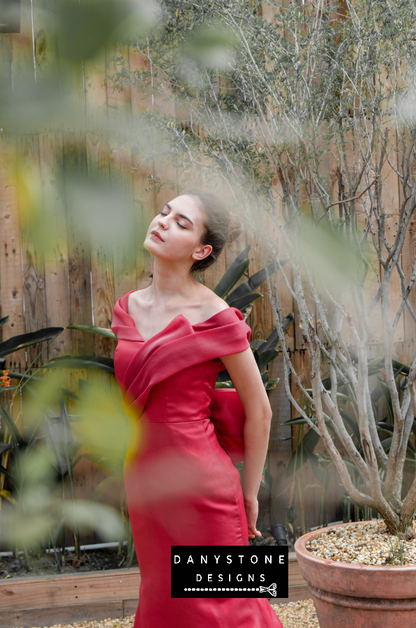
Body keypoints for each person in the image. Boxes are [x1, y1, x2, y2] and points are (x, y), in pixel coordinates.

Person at [111, 189, 283, 628]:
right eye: (165, 212)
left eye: (182, 223)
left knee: (226, 608)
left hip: (202, 485)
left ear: (201, 251)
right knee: (166, 600)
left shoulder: (216, 314)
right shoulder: (128, 307)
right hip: (146, 480)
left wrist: (249, 491)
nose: (164, 221)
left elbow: (259, 410)